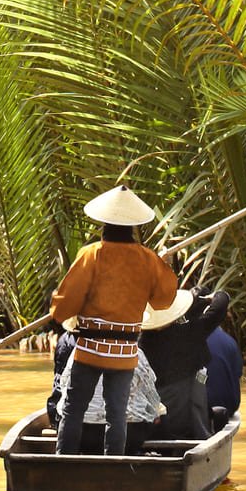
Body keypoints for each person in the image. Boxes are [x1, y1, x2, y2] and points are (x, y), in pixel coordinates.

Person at [48, 183, 178, 456]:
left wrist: (56, 314)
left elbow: (67, 300)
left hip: (90, 350)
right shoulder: (147, 259)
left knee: (73, 408)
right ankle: (114, 466)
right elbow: (163, 300)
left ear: (104, 223)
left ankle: (63, 462)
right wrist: (163, 265)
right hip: (124, 352)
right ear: (132, 226)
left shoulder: (92, 254)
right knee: (116, 414)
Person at [140, 286, 232, 439]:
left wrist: (196, 301)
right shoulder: (186, 334)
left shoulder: (142, 341)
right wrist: (217, 295)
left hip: (154, 422)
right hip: (185, 422)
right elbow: (218, 309)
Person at [206, 305, 243, 427]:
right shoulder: (230, 342)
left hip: (201, 407)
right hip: (229, 406)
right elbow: (237, 374)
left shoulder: (190, 340)